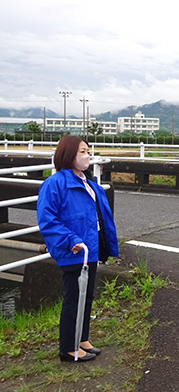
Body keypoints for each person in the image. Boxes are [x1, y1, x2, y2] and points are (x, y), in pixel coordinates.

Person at [37, 136, 119, 362]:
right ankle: (68, 348)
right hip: (74, 250)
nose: (88, 155)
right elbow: (47, 220)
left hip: (89, 250)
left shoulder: (87, 182)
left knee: (87, 296)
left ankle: (81, 339)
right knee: (73, 298)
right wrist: (70, 240)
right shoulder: (55, 184)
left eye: (88, 151)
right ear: (69, 154)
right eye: (83, 151)